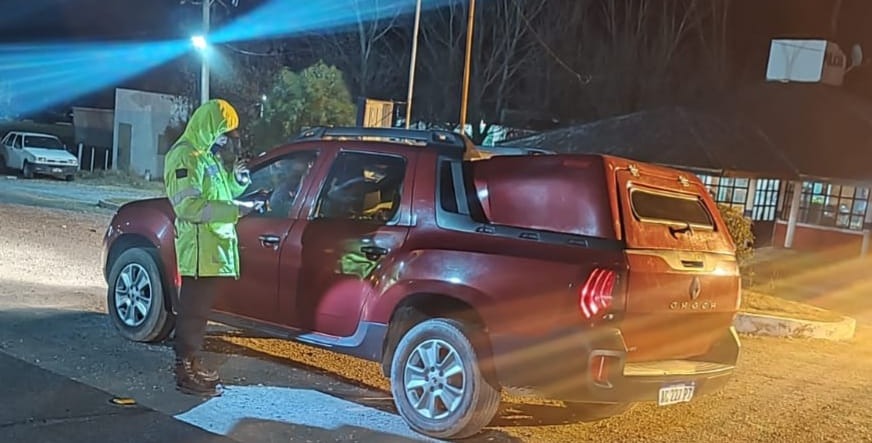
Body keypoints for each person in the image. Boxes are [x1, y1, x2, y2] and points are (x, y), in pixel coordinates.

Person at [163, 98, 262, 397]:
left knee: (199, 314)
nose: (225, 140)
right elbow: (189, 207)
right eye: (223, 132)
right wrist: (236, 210)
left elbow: (222, 193)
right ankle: (184, 371)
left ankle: (193, 362)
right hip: (198, 253)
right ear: (209, 126)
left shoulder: (208, 158)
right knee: (191, 314)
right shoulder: (184, 157)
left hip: (213, 252)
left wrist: (238, 182)